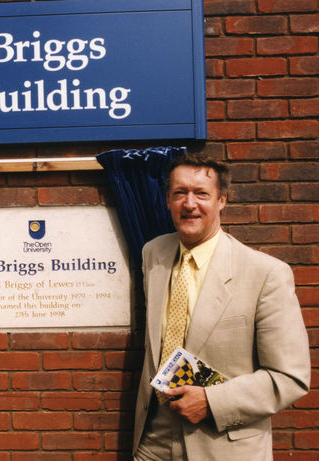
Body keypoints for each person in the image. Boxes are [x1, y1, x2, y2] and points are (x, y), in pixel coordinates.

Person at [133, 153, 310, 460]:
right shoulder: (153, 255)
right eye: (180, 193)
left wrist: (212, 401)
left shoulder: (266, 273)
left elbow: (290, 377)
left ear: (222, 201)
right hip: (153, 445)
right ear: (168, 201)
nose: (189, 204)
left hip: (223, 446)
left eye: (201, 193)